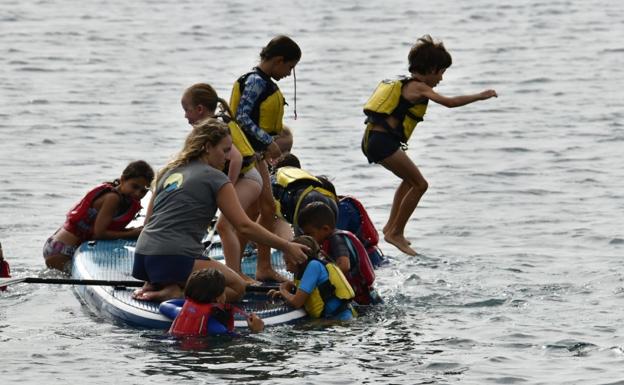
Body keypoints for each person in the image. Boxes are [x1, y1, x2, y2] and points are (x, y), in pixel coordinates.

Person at [131, 118, 308, 302]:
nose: (228, 157)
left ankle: (161, 282)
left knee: (182, 266)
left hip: (143, 258)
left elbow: (147, 223)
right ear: (207, 147)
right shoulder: (215, 178)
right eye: (225, 150)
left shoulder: (169, 171)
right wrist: (287, 246)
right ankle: (177, 293)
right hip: (174, 257)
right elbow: (244, 226)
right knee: (237, 286)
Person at [361, 34, 498, 256]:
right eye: (441, 72)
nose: (441, 79)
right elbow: (450, 103)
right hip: (382, 141)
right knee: (420, 184)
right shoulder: (419, 87)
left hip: (374, 140)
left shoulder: (404, 82)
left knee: (409, 181)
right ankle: (395, 232)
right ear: (432, 68)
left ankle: (391, 228)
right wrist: (480, 96)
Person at [230, 35, 301, 282]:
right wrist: (268, 140)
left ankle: (263, 266)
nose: (288, 73)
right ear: (279, 60)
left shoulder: (264, 82)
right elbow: (241, 118)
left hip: (256, 154)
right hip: (248, 155)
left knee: (266, 208)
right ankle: (237, 269)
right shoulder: (256, 82)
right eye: (289, 67)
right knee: (256, 211)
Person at [181, 83, 262, 283]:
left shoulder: (216, 128)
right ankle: (235, 272)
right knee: (227, 226)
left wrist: (228, 187)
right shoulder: (214, 126)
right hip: (247, 178)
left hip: (247, 179)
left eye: (187, 110)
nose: (185, 116)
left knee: (225, 226)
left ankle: (236, 275)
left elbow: (236, 158)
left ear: (200, 109)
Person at [43, 160, 154, 271]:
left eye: (143, 191)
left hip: (60, 245)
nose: (138, 193)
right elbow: (99, 234)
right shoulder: (112, 198)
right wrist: (131, 233)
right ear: (123, 180)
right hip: (62, 250)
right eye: (135, 187)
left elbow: (101, 229)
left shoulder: (123, 198)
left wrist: (128, 231)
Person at [298, 202, 379, 305]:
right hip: (364, 294)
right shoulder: (330, 239)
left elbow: (344, 266)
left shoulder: (336, 239)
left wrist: (320, 281)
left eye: (309, 234)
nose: (307, 238)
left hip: (363, 299)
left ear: (325, 229)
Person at [268, 235, 355, 321]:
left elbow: (296, 302)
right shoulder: (306, 270)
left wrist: (283, 290)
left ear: (299, 258)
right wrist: (284, 294)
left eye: (288, 263)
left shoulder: (313, 266)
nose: (287, 269)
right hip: (332, 319)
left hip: (341, 320)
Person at [159, 268, 264, 337]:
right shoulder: (217, 328)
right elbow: (238, 338)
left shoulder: (179, 311)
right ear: (219, 298)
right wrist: (256, 330)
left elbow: (163, 305)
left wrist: (191, 302)